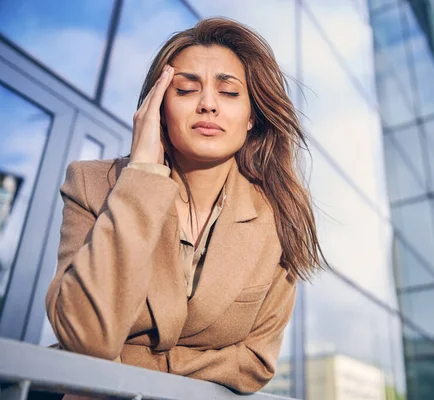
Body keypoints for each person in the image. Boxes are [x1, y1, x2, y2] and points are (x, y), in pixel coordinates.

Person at [45, 17, 325, 395]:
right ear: (158, 108)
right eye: (187, 89)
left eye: (228, 93)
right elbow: (86, 337)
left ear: (251, 118)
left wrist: (134, 365)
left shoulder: (277, 218)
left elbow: (255, 364)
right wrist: (143, 176)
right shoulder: (91, 185)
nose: (208, 104)